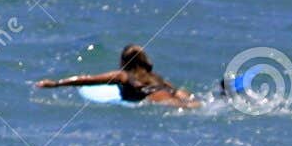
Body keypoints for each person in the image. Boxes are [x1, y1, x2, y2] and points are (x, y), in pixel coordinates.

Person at [35, 44, 199, 108]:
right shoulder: (155, 76)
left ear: (124, 62)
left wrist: (56, 84)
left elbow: (88, 80)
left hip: (154, 96)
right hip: (168, 91)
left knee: (181, 108)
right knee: (193, 104)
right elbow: (173, 89)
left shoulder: (122, 75)